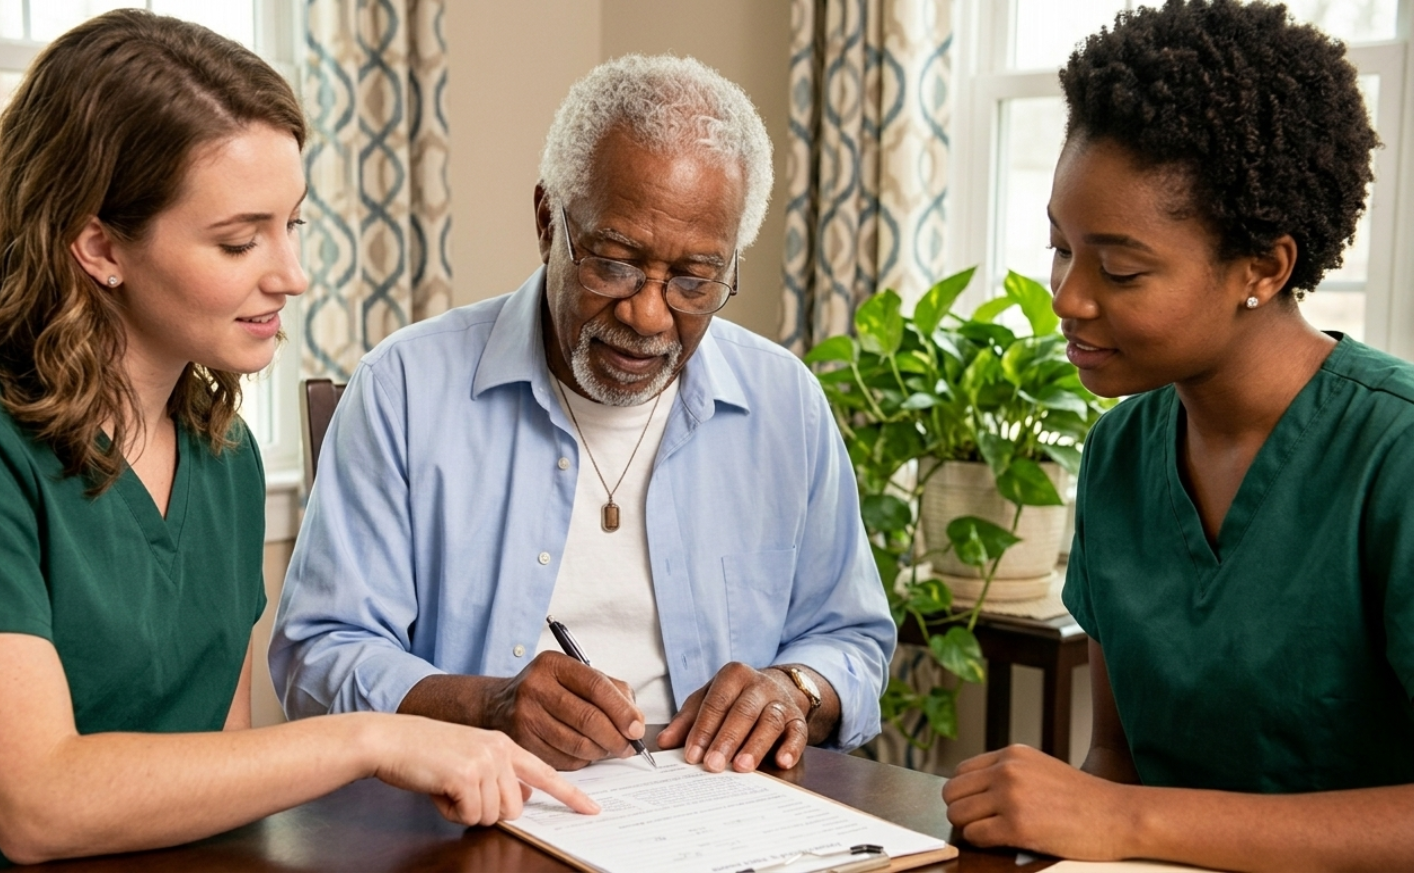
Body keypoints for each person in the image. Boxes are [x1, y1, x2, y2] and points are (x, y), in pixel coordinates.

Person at [0, 11, 594, 872]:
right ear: (99, 244)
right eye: (240, 239)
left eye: (294, 224)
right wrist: (372, 736)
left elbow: (217, 774)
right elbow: (37, 801)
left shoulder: (222, 453)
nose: (291, 273)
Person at [270, 54, 896, 775]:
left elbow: (851, 639)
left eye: (696, 280)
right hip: (478, 814)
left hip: (723, 816)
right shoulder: (405, 388)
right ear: (547, 220)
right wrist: (485, 707)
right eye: (614, 262)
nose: (649, 313)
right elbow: (317, 655)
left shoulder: (786, 406)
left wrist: (794, 688)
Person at [941, 1, 1414, 869]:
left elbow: (1122, 808)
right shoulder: (1122, 452)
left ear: (1263, 268)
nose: (1069, 297)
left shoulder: (1396, 457)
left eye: (1120, 268)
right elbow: (1117, 762)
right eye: (1061, 247)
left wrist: (1123, 823)